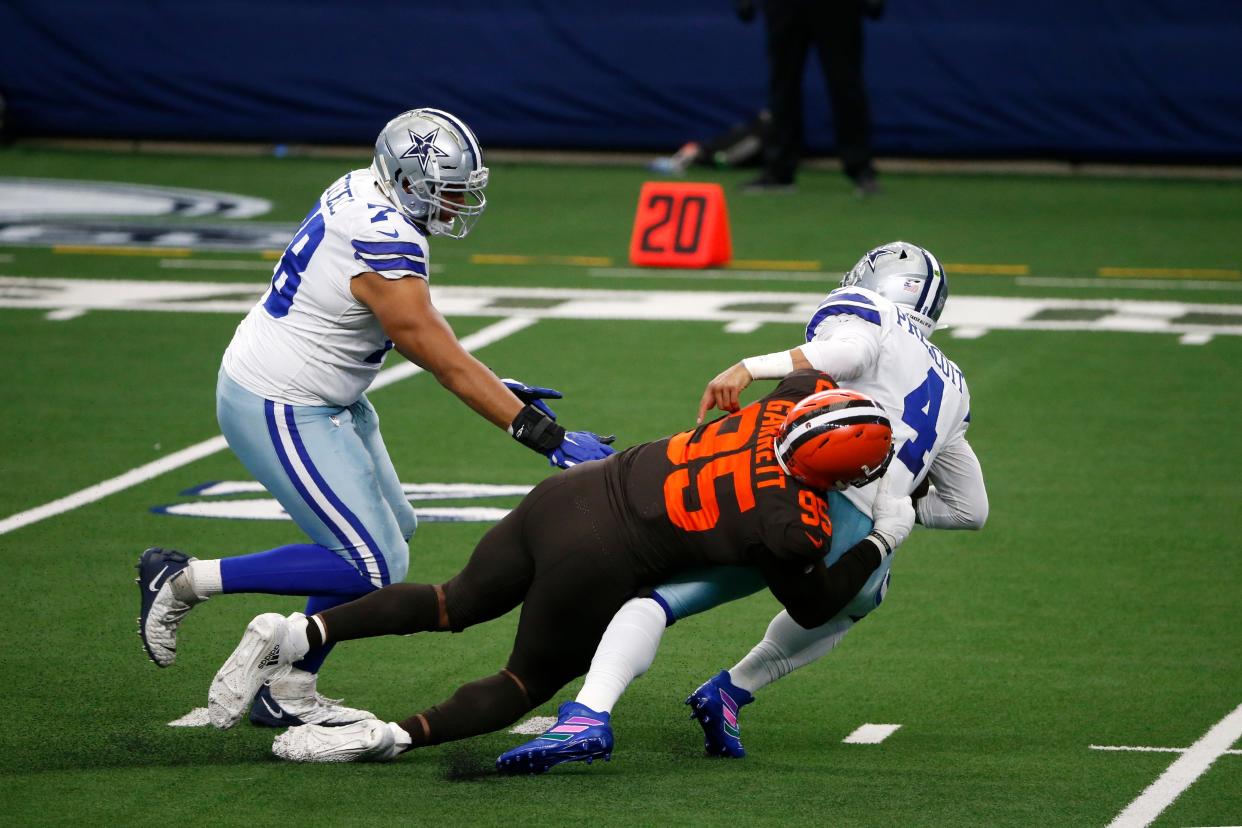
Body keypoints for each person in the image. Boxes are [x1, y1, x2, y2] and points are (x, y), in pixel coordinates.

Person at [135, 108, 615, 728]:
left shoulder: (366, 188)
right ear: (408, 178)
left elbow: (398, 325)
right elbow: (434, 353)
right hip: (282, 398)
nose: (458, 202)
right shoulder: (385, 234)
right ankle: (183, 579)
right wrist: (542, 435)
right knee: (370, 562)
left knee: (393, 530)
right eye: (447, 189)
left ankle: (289, 687)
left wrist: (496, 385)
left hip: (326, 387)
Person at [204, 375, 916, 764]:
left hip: (568, 495)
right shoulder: (790, 523)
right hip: (603, 557)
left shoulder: (785, 402)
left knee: (452, 601)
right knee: (525, 683)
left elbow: (801, 374)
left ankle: (299, 632)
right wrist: (882, 539)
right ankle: (388, 738)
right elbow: (817, 604)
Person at [500, 240, 987, 771]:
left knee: (662, 598)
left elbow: (845, 353)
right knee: (843, 605)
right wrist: (896, 512)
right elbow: (969, 510)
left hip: (794, 492)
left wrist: (750, 366)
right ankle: (732, 690)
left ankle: (588, 716)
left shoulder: (871, 312)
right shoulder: (955, 386)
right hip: (860, 542)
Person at [740, 0, 885, 195]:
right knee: (782, 86)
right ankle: (779, 170)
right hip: (784, 6)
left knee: (846, 84)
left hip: (837, 7)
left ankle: (861, 168)